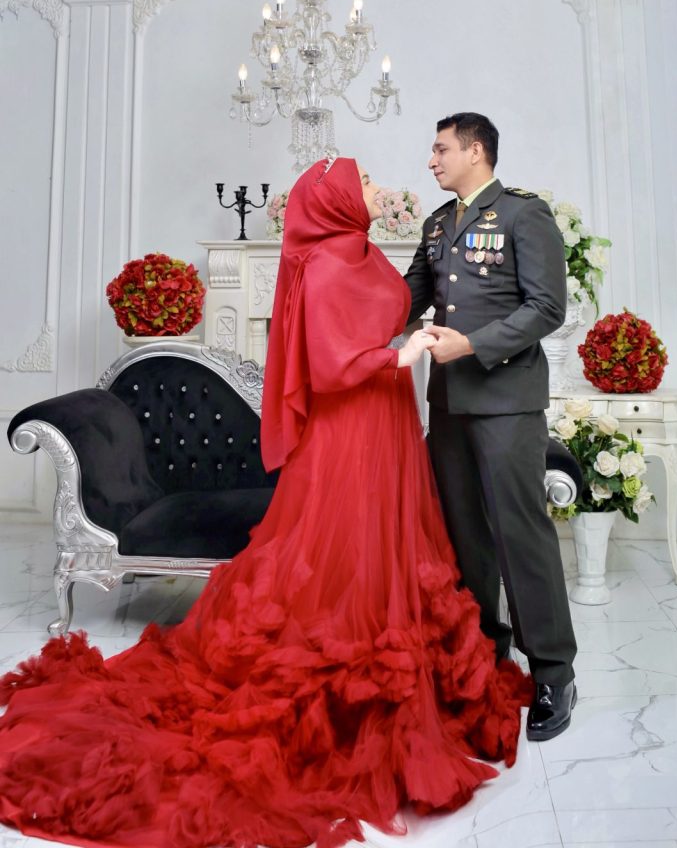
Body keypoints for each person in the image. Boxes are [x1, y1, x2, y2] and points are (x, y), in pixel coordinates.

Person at [0, 157, 532, 848]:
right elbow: (330, 366)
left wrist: (426, 327)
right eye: (364, 183)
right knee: (342, 542)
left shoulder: (364, 252)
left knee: (383, 543)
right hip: (351, 427)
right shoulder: (325, 267)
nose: (377, 189)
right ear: (338, 200)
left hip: (387, 418)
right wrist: (401, 356)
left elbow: (389, 311)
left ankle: (384, 633)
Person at [404, 112, 578, 742]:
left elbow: (547, 307)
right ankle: (484, 653)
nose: (432, 160)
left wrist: (472, 344)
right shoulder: (436, 223)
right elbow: (406, 297)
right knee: (466, 539)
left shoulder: (523, 214)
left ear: (475, 151)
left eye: (441, 149)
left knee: (519, 535)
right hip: (449, 405)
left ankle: (554, 671)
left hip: (506, 402)